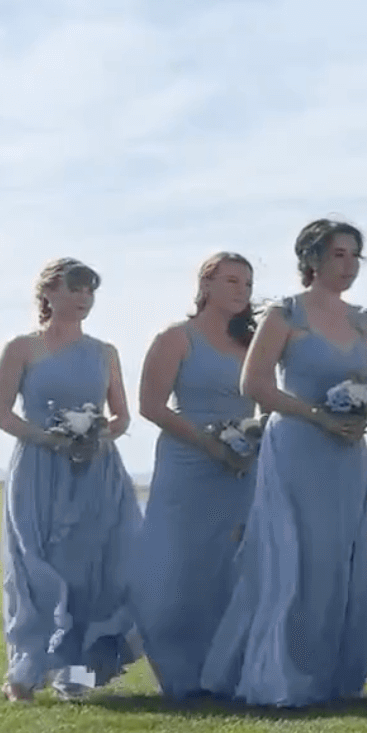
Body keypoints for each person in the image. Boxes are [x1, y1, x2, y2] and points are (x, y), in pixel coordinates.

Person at [201, 220, 367, 707]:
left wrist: (358, 416)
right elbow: (254, 385)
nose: (348, 266)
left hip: (346, 453)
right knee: (295, 557)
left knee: (340, 560)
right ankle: (280, 676)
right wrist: (319, 416)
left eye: (354, 256)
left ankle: (335, 674)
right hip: (297, 446)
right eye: (338, 255)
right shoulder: (285, 313)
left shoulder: (364, 319)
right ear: (313, 260)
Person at [0, 259, 141, 702]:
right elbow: (1, 412)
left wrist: (99, 435)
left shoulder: (105, 352)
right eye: (75, 288)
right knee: (37, 567)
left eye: (90, 291)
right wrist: (48, 438)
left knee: (92, 571)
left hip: (96, 470)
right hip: (40, 469)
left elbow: (122, 415)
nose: (83, 298)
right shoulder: (22, 347)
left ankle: (76, 672)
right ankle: (26, 669)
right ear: (49, 292)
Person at [133, 252, 261, 699]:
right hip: (187, 466)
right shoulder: (176, 337)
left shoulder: (253, 344)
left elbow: (264, 399)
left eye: (247, 282)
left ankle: (231, 669)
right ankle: (180, 672)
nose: (241, 289)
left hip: (243, 466)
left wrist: (251, 444)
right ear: (206, 284)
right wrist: (208, 443)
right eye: (231, 280)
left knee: (235, 564)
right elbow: (151, 405)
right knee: (178, 567)